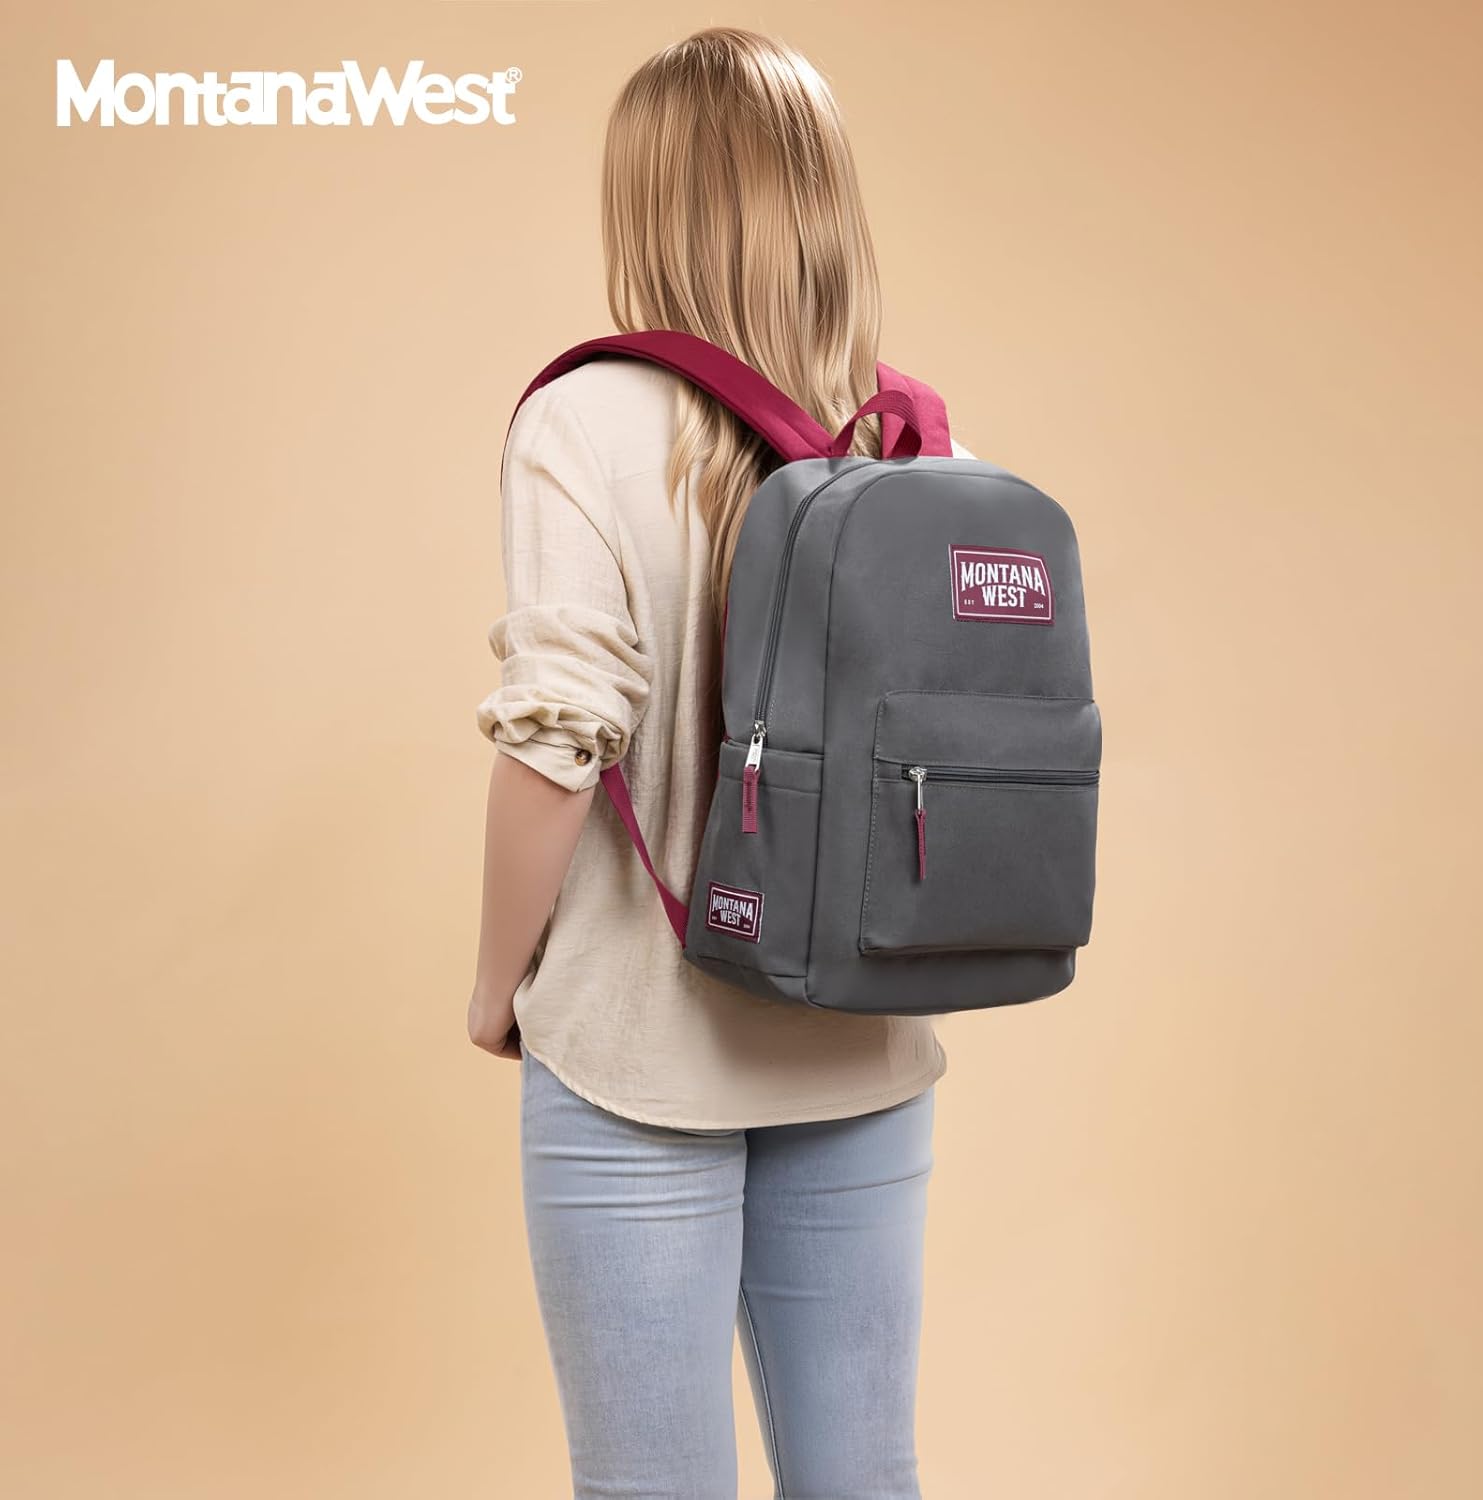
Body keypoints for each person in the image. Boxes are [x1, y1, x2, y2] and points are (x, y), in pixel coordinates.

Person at [469, 28, 969, 1499]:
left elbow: (557, 741)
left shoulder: (582, 421)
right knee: (863, 1476)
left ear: (650, 207)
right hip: (862, 1038)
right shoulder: (911, 441)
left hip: (636, 1051)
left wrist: (498, 989)